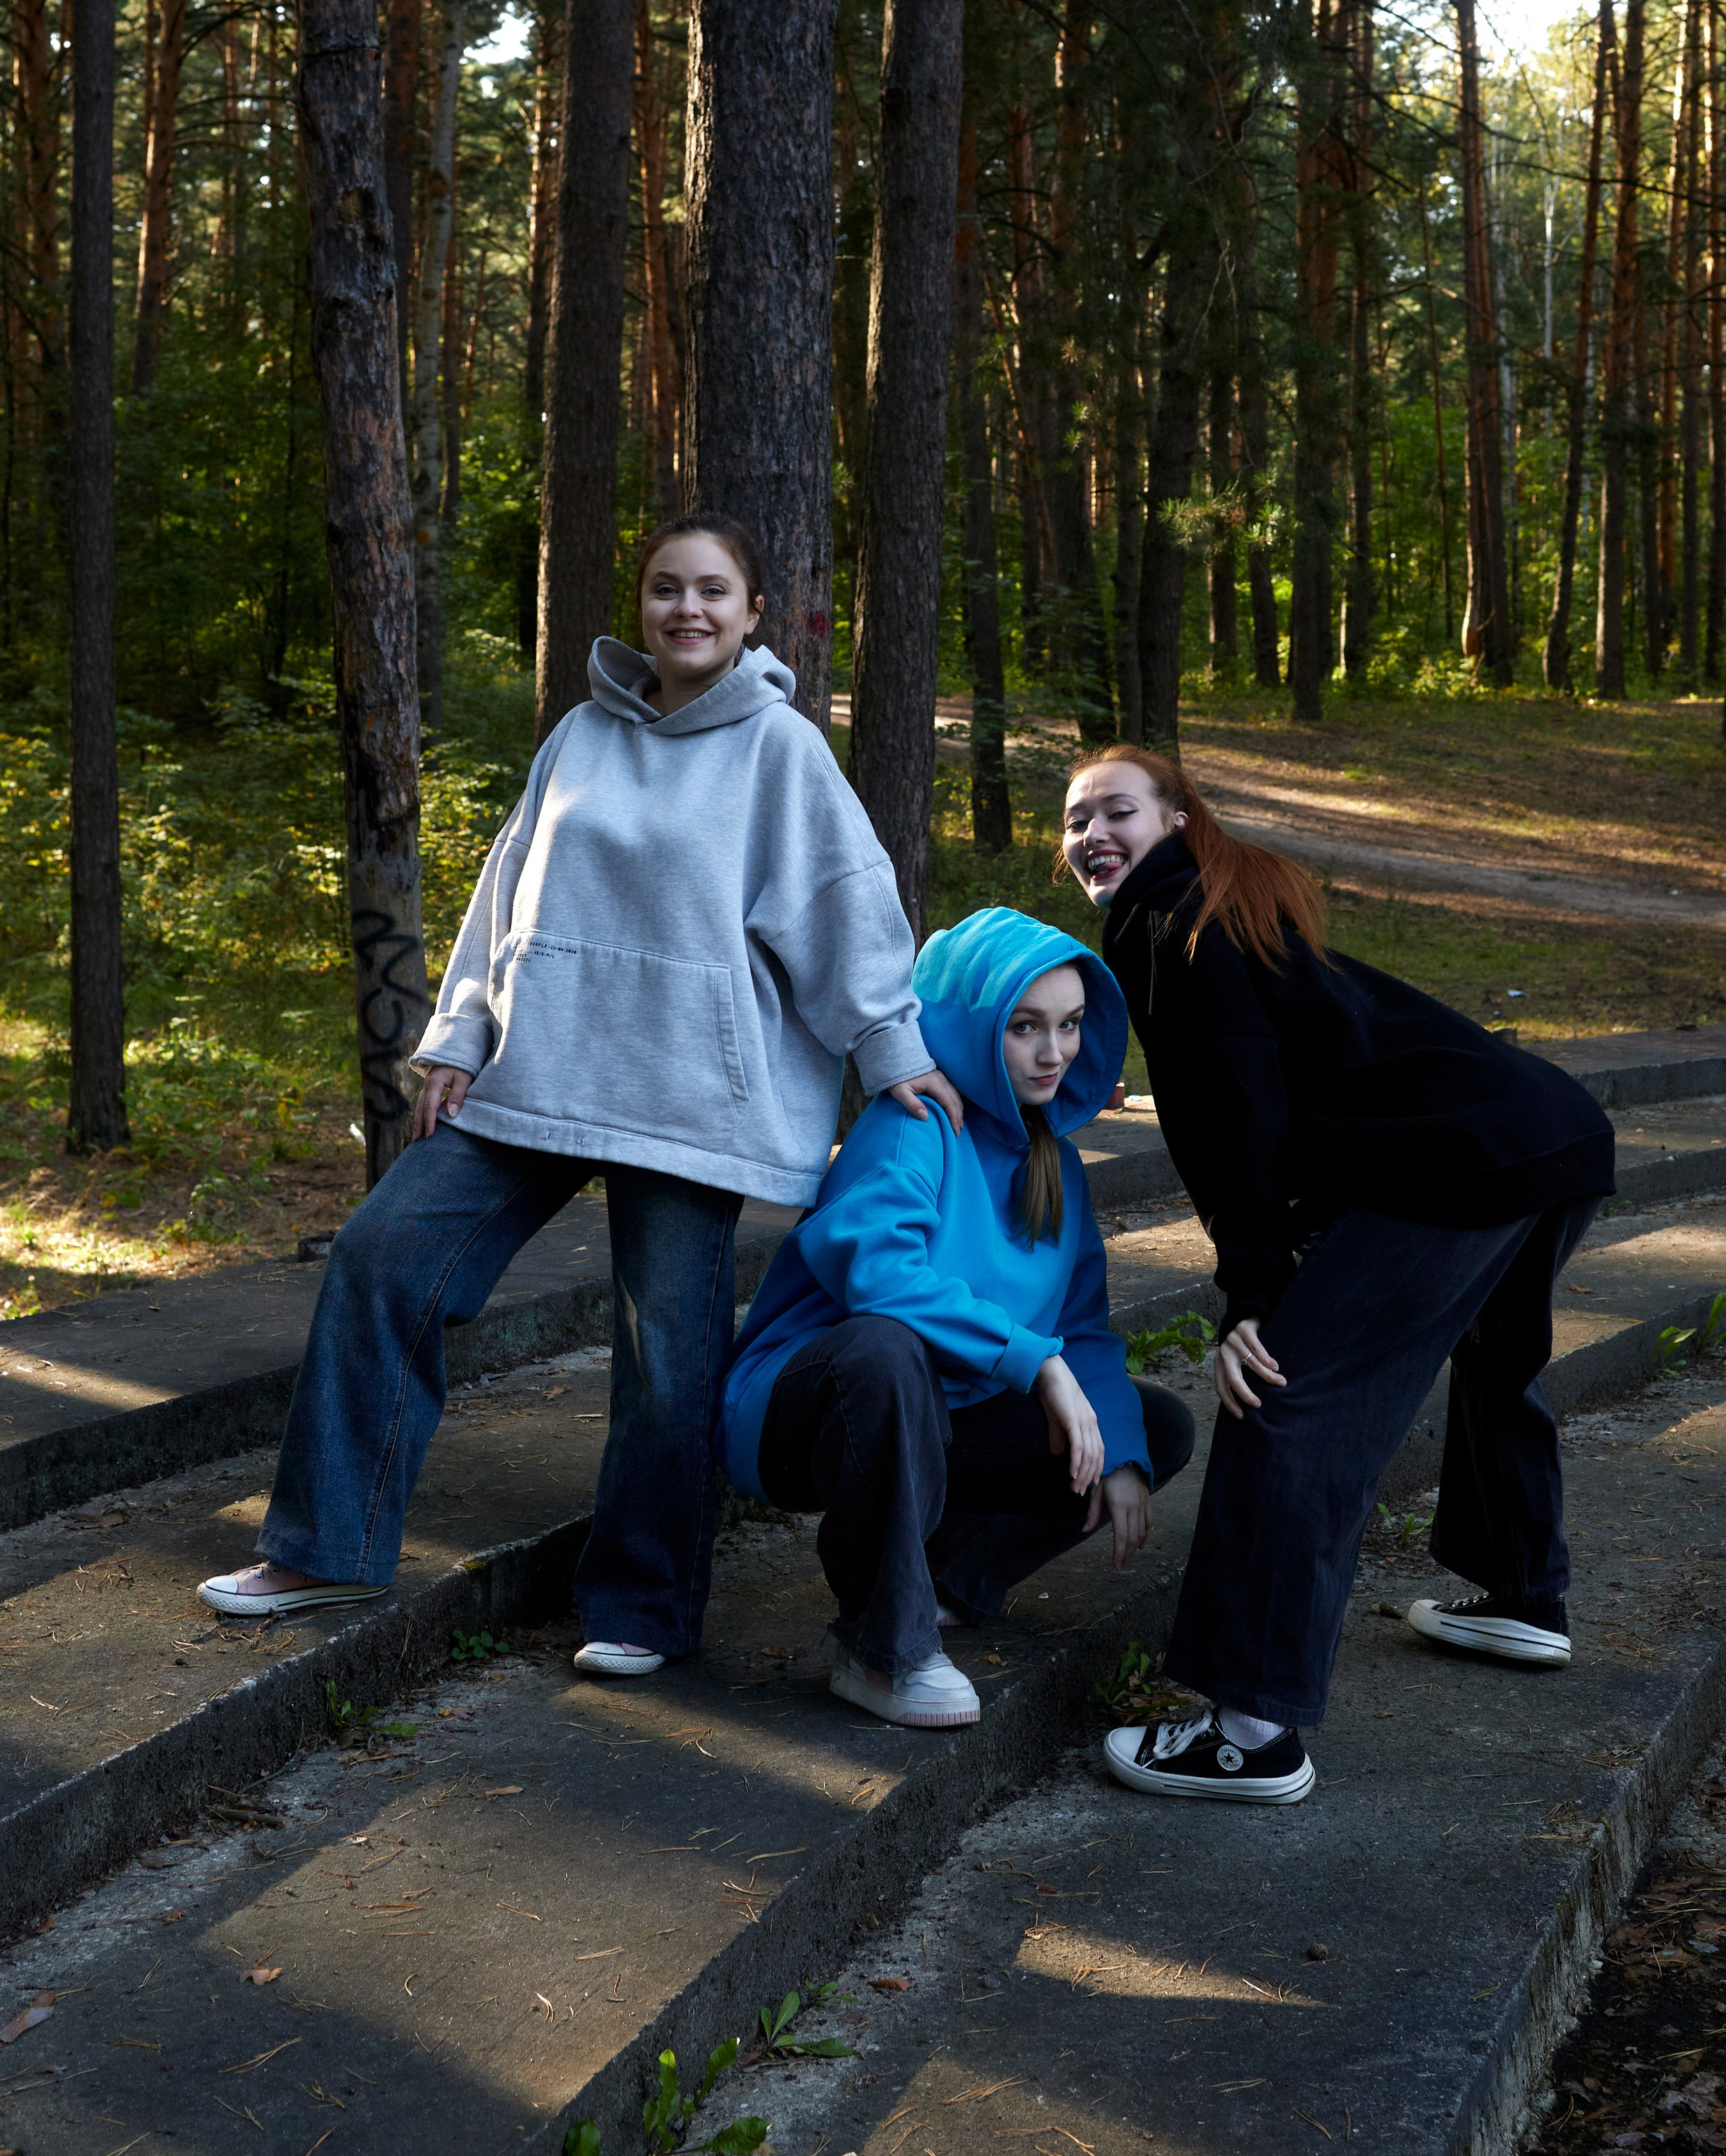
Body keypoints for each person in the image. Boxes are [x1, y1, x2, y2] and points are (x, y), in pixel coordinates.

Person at [197, 512, 963, 1678]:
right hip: (542, 1071)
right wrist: (456, 1034)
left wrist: (891, 1050)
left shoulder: (780, 751)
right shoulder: (584, 734)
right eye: (667, 588)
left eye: (714, 591)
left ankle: (643, 1607)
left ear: (754, 613)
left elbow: (844, 905)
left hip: (690, 1104)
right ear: (641, 603)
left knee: (668, 1363)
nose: (688, 610)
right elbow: (505, 890)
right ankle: (324, 1545)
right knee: (382, 1252)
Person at [1059, 747, 1615, 1804]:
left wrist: (1257, 1293)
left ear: (1178, 820)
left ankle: (1251, 1729)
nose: (1092, 836)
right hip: (1546, 1133)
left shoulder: (1174, 924)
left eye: (1117, 812)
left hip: (1471, 1156)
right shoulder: (1215, 904)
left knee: (1288, 1395)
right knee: (1499, 1359)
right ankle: (1526, 1595)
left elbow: (1235, 1113)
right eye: (1077, 823)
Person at [714, 907, 1196, 1729]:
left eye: (1071, 1025)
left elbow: (1081, 1328)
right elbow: (879, 1275)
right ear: (971, 1027)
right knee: (888, 1348)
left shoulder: (1059, 1165)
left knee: (1148, 1425)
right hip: (806, 1410)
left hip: (943, 1416)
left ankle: (947, 1579)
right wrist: (1035, 1363)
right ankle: (881, 1649)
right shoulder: (915, 1125)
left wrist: (1114, 1448)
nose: (1055, 1053)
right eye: (1024, 1028)